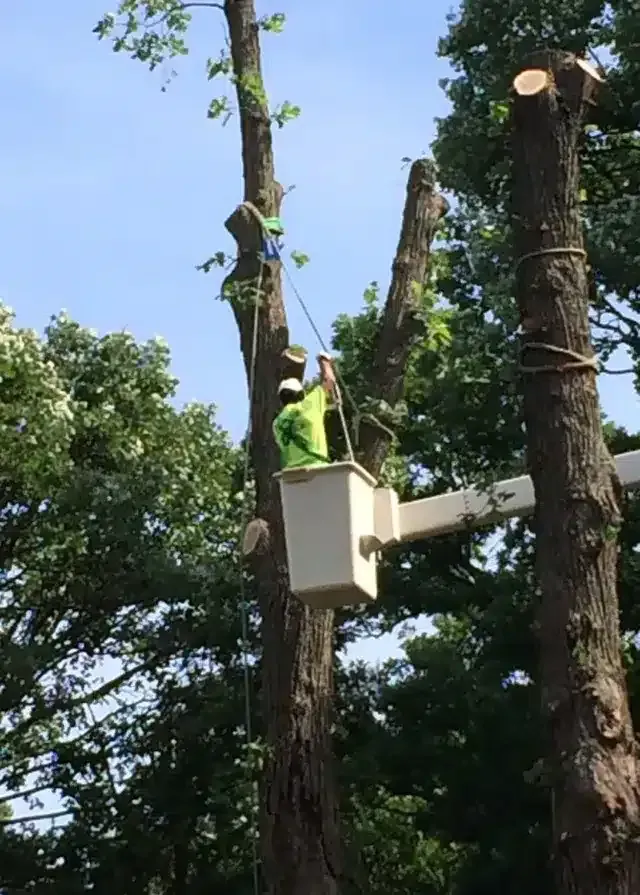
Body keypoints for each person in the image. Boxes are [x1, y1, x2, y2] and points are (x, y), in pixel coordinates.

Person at [273, 352, 336, 470]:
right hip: (317, 468)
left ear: (281, 399)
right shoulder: (309, 404)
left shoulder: (277, 423)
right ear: (301, 394)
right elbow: (329, 382)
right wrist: (325, 362)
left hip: (292, 475)